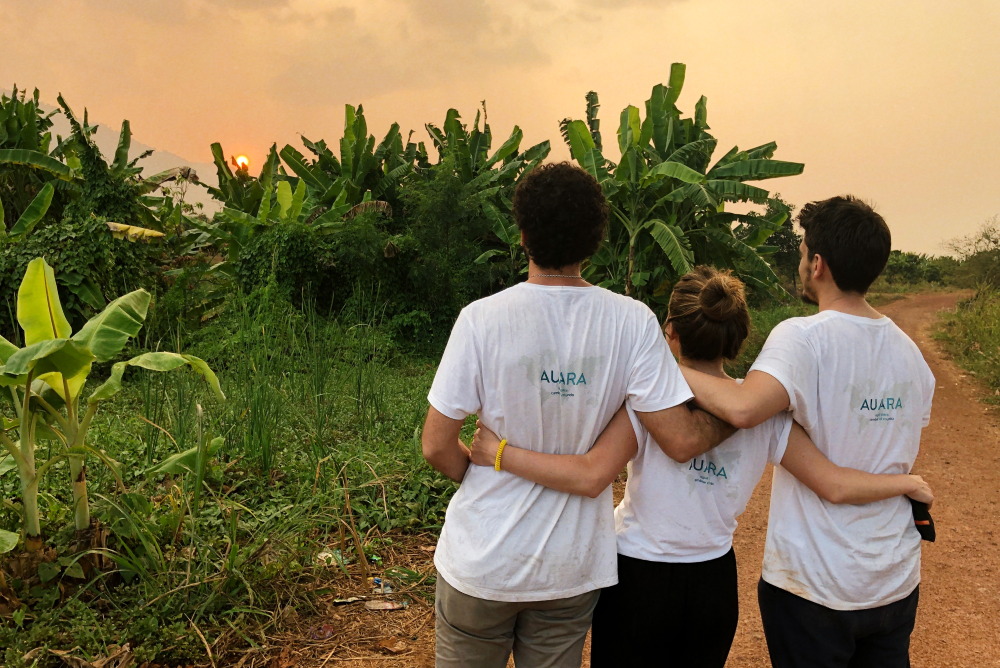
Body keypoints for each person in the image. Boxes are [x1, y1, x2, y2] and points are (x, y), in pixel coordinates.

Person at [469, 265, 934, 667]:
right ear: (738, 337)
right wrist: (904, 483)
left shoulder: (646, 402)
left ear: (670, 330)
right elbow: (832, 483)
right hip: (714, 583)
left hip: (638, 577)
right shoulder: (769, 414)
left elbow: (591, 473)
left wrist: (500, 452)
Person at [420, 162, 734, 668]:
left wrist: (486, 475)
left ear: (522, 237)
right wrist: (749, 407)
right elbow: (678, 438)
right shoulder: (633, 323)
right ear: (595, 241)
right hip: (568, 570)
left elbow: (436, 444)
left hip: (481, 561)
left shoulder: (480, 320)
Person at [678, 196, 936, 667]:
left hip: (816, 585)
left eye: (801, 253)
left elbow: (742, 408)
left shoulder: (804, 338)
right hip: (894, 580)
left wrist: (658, 366)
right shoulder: (910, 354)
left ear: (817, 264)